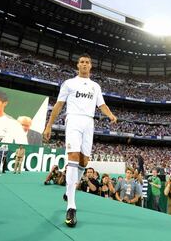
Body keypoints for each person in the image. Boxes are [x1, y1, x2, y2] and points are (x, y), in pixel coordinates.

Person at [43, 54, 117, 227]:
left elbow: (102, 105)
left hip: (89, 122)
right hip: (73, 120)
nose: (84, 64)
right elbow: (59, 105)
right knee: (73, 158)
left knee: (84, 162)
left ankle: (69, 190)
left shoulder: (95, 86)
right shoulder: (69, 83)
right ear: (78, 65)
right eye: (82, 62)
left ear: (91, 66)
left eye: (87, 62)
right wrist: (49, 126)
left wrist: (111, 115)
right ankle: (71, 206)